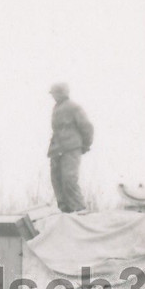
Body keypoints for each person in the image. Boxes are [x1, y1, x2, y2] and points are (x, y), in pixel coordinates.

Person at [47, 82, 94, 213]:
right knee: (57, 180)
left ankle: (79, 209)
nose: (53, 96)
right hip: (56, 149)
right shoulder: (56, 108)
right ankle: (64, 209)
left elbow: (87, 127)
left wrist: (85, 145)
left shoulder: (74, 107)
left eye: (55, 93)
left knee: (69, 179)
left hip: (70, 148)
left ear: (62, 93)